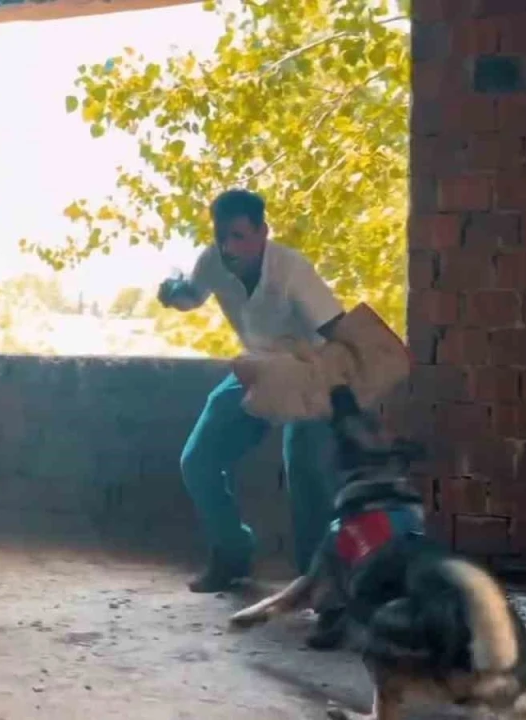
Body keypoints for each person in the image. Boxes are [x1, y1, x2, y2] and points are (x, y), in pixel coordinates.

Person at [158, 188, 346, 649]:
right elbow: (192, 296)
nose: (229, 247)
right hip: (257, 369)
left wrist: (349, 390)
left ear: (263, 232)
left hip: (306, 372)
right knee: (199, 459)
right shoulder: (212, 261)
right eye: (221, 236)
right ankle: (233, 554)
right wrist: (173, 293)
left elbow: (339, 332)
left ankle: (325, 594)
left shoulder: (292, 270)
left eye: (239, 236)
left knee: (307, 474)